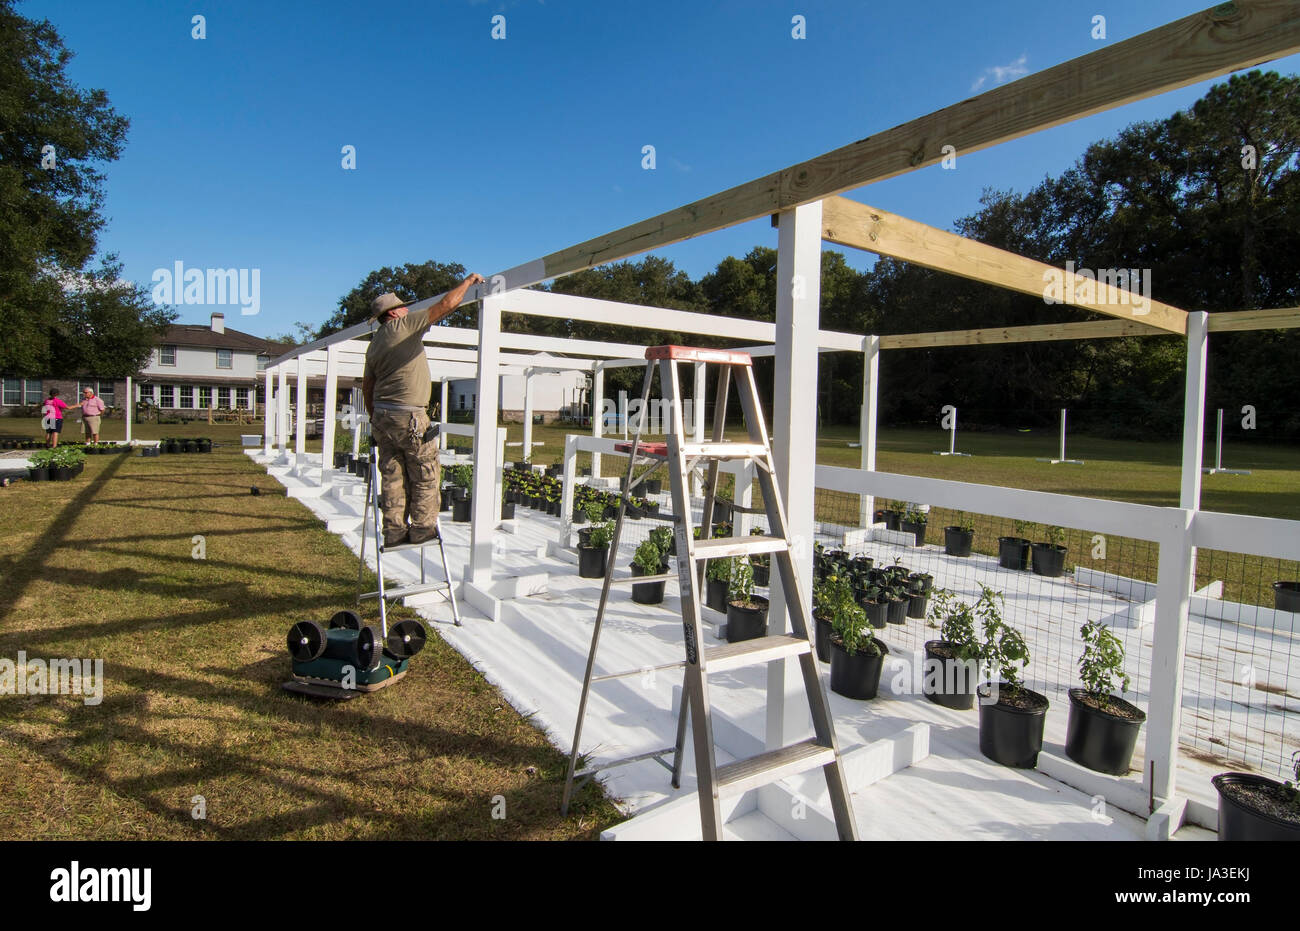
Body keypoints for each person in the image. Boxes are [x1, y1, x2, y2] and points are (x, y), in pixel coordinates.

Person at [363, 275, 484, 547]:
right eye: (403, 307)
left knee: (393, 477)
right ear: (393, 313)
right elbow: (446, 304)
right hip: (409, 416)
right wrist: (468, 282)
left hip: (383, 417)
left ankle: (393, 533)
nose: (407, 310)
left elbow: (367, 388)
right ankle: (422, 530)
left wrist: (374, 420)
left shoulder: (374, 345)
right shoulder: (402, 326)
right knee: (425, 473)